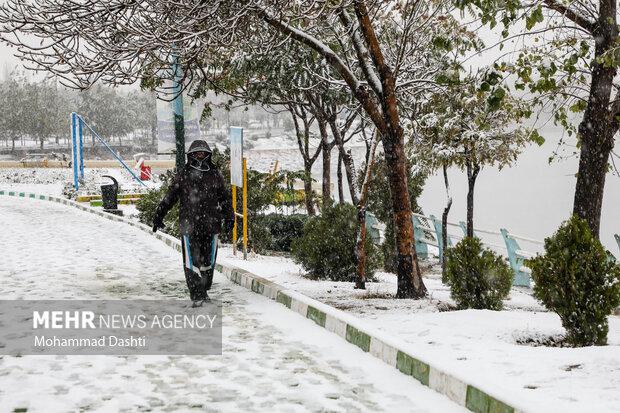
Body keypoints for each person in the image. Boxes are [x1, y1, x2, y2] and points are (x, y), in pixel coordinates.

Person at [152, 140, 235, 307]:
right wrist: (158, 216)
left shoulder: (215, 174)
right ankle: (197, 294)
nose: (200, 156)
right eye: (196, 153)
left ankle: (204, 288)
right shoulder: (183, 174)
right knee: (192, 261)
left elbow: (225, 199)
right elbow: (170, 197)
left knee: (208, 262)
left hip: (211, 226)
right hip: (189, 226)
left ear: (208, 155)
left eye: (203, 153)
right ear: (190, 155)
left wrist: (229, 217)